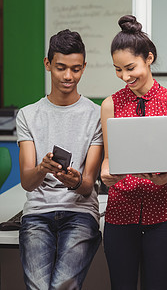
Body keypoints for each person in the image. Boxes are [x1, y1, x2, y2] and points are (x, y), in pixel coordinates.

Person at [100, 15, 167, 290]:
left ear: (149, 58)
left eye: (130, 67)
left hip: (164, 213)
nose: (125, 77)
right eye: (117, 70)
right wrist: (106, 173)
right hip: (120, 212)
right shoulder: (110, 104)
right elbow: (108, 161)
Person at [16, 29, 103, 290]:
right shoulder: (28, 115)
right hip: (38, 213)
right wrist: (42, 168)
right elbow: (28, 183)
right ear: (47, 64)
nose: (68, 76)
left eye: (76, 69)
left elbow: (88, 186)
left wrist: (75, 181)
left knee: (62, 286)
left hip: (80, 212)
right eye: (61, 67)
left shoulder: (96, 115)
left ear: (84, 67)